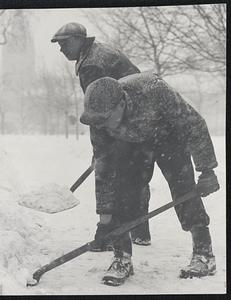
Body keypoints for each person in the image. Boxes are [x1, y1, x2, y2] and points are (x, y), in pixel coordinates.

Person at [79, 71, 220, 286]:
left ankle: (204, 254)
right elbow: (105, 168)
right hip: (131, 143)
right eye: (97, 122)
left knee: (184, 189)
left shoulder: (154, 90)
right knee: (123, 190)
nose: (101, 126)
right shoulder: (99, 121)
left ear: (121, 104)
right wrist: (105, 215)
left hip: (169, 137)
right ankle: (121, 257)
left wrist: (207, 169)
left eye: (105, 120)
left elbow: (194, 124)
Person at [51, 22, 152, 248]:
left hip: (122, 120)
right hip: (137, 118)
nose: (61, 49)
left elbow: (97, 111)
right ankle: (139, 229)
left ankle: (108, 232)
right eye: (59, 45)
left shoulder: (91, 65)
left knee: (110, 173)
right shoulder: (99, 51)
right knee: (135, 176)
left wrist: (100, 151)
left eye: (64, 43)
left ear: (78, 39)